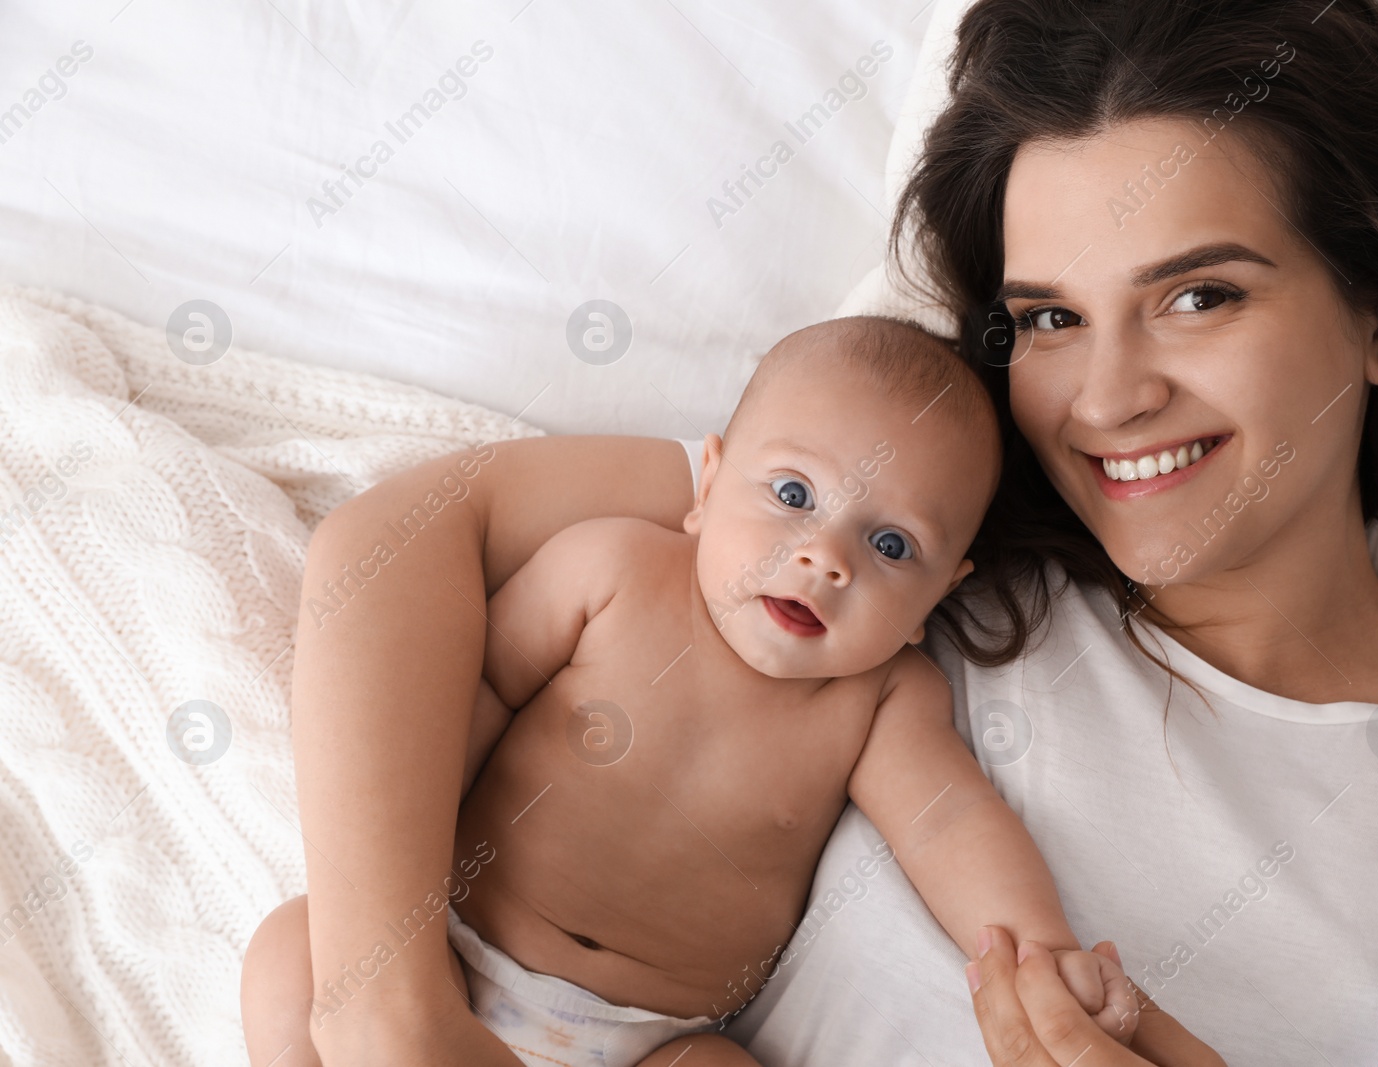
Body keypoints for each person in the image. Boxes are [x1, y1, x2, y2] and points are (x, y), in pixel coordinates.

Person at [240, 0, 1378, 1064]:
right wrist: (382, 1002)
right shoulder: (906, 537)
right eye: (1052, 318)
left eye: (1198, 298)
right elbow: (410, 532)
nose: (1112, 396)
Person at [241, 317, 1147, 1067]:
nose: (823, 557)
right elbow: (465, 695)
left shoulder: (881, 702)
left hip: (648, 1040)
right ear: (706, 485)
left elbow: (951, 823)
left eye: (892, 546)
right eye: (793, 492)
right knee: (291, 951)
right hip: (449, 956)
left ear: (939, 595)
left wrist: (1041, 947)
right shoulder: (611, 568)